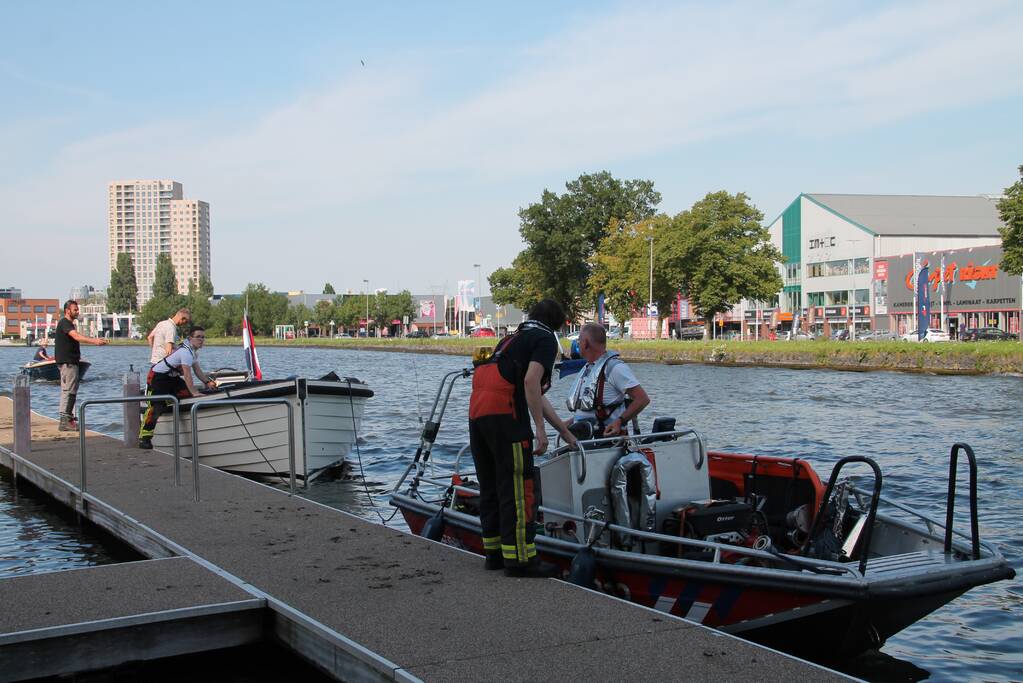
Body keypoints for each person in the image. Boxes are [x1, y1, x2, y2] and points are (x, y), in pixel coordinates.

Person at [468, 299, 577, 578]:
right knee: (518, 490)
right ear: (558, 324)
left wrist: (563, 431)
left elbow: (535, 394)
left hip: (479, 415)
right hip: (507, 419)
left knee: (491, 486)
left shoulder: (510, 339)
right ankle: (520, 560)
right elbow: (531, 383)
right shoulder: (545, 339)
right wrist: (540, 430)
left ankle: (494, 555)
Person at [565, 323, 650, 437]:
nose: (577, 343)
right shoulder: (589, 368)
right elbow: (590, 409)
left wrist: (620, 421)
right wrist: (568, 424)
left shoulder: (614, 368)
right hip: (583, 441)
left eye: (579, 339)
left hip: (606, 442)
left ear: (585, 343)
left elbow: (642, 399)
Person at [138, 326, 212, 449]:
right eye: (198, 337)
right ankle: (144, 438)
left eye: (203, 337)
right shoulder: (185, 352)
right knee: (157, 406)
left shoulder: (193, 352)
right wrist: (194, 392)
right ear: (190, 338)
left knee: (186, 394)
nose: (201, 340)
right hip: (158, 378)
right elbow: (187, 374)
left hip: (172, 378)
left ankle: (172, 403)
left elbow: (197, 370)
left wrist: (207, 382)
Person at [53, 300, 108, 431]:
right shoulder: (65, 323)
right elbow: (76, 336)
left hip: (70, 362)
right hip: (68, 363)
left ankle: (65, 420)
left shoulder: (66, 323)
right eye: (75, 310)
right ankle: (67, 420)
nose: (78, 312)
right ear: (67, 311)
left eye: (77, 309)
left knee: (67, 391)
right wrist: (94, 341)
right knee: (70, 391)